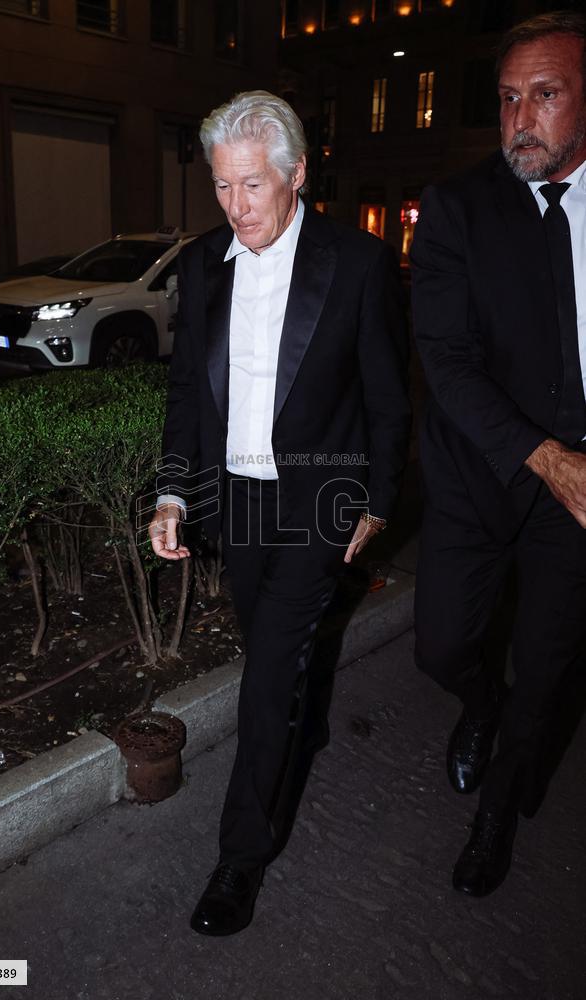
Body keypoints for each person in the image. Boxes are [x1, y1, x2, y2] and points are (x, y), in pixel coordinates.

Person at [148, 91, 410, 936]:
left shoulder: (358, 262)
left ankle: (240, 859)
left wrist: (376, 498)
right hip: (236, 502)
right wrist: (174, 491)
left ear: (296, 174)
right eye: (222, 188)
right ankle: (302, 714)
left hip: (318, 498)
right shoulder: (200, 265)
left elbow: (386, 395)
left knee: (264, 681)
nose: (237, 208)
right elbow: (187, 392)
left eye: (253, 186)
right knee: (272, 650)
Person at [411, 11, 586, 898]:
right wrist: (548, 457)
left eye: (546, 95)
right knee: (440, 646)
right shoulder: (456, 209)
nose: (522, 119)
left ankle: (494, 820)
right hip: (479, 472)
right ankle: (475, 703)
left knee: (549, 666)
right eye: (510, 98)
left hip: (580, 496)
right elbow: (445, 359)